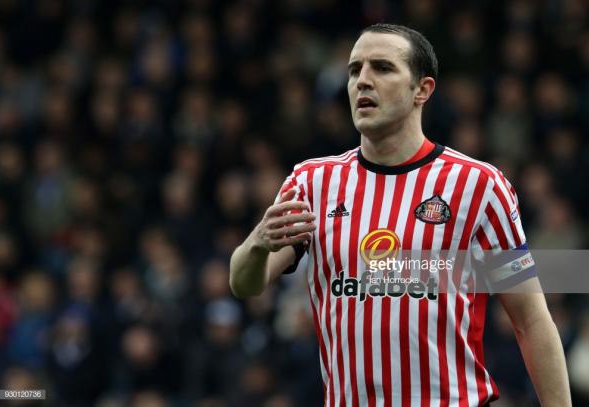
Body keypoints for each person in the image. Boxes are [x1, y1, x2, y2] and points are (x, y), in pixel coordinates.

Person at [230, 23, 571, 406]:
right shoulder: (312, 183)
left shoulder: (478, 185)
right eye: (355, 70)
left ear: (422, 90)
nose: (363, 81)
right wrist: (257, 244)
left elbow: (532, 321)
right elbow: (245, 284)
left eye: (382, 67)